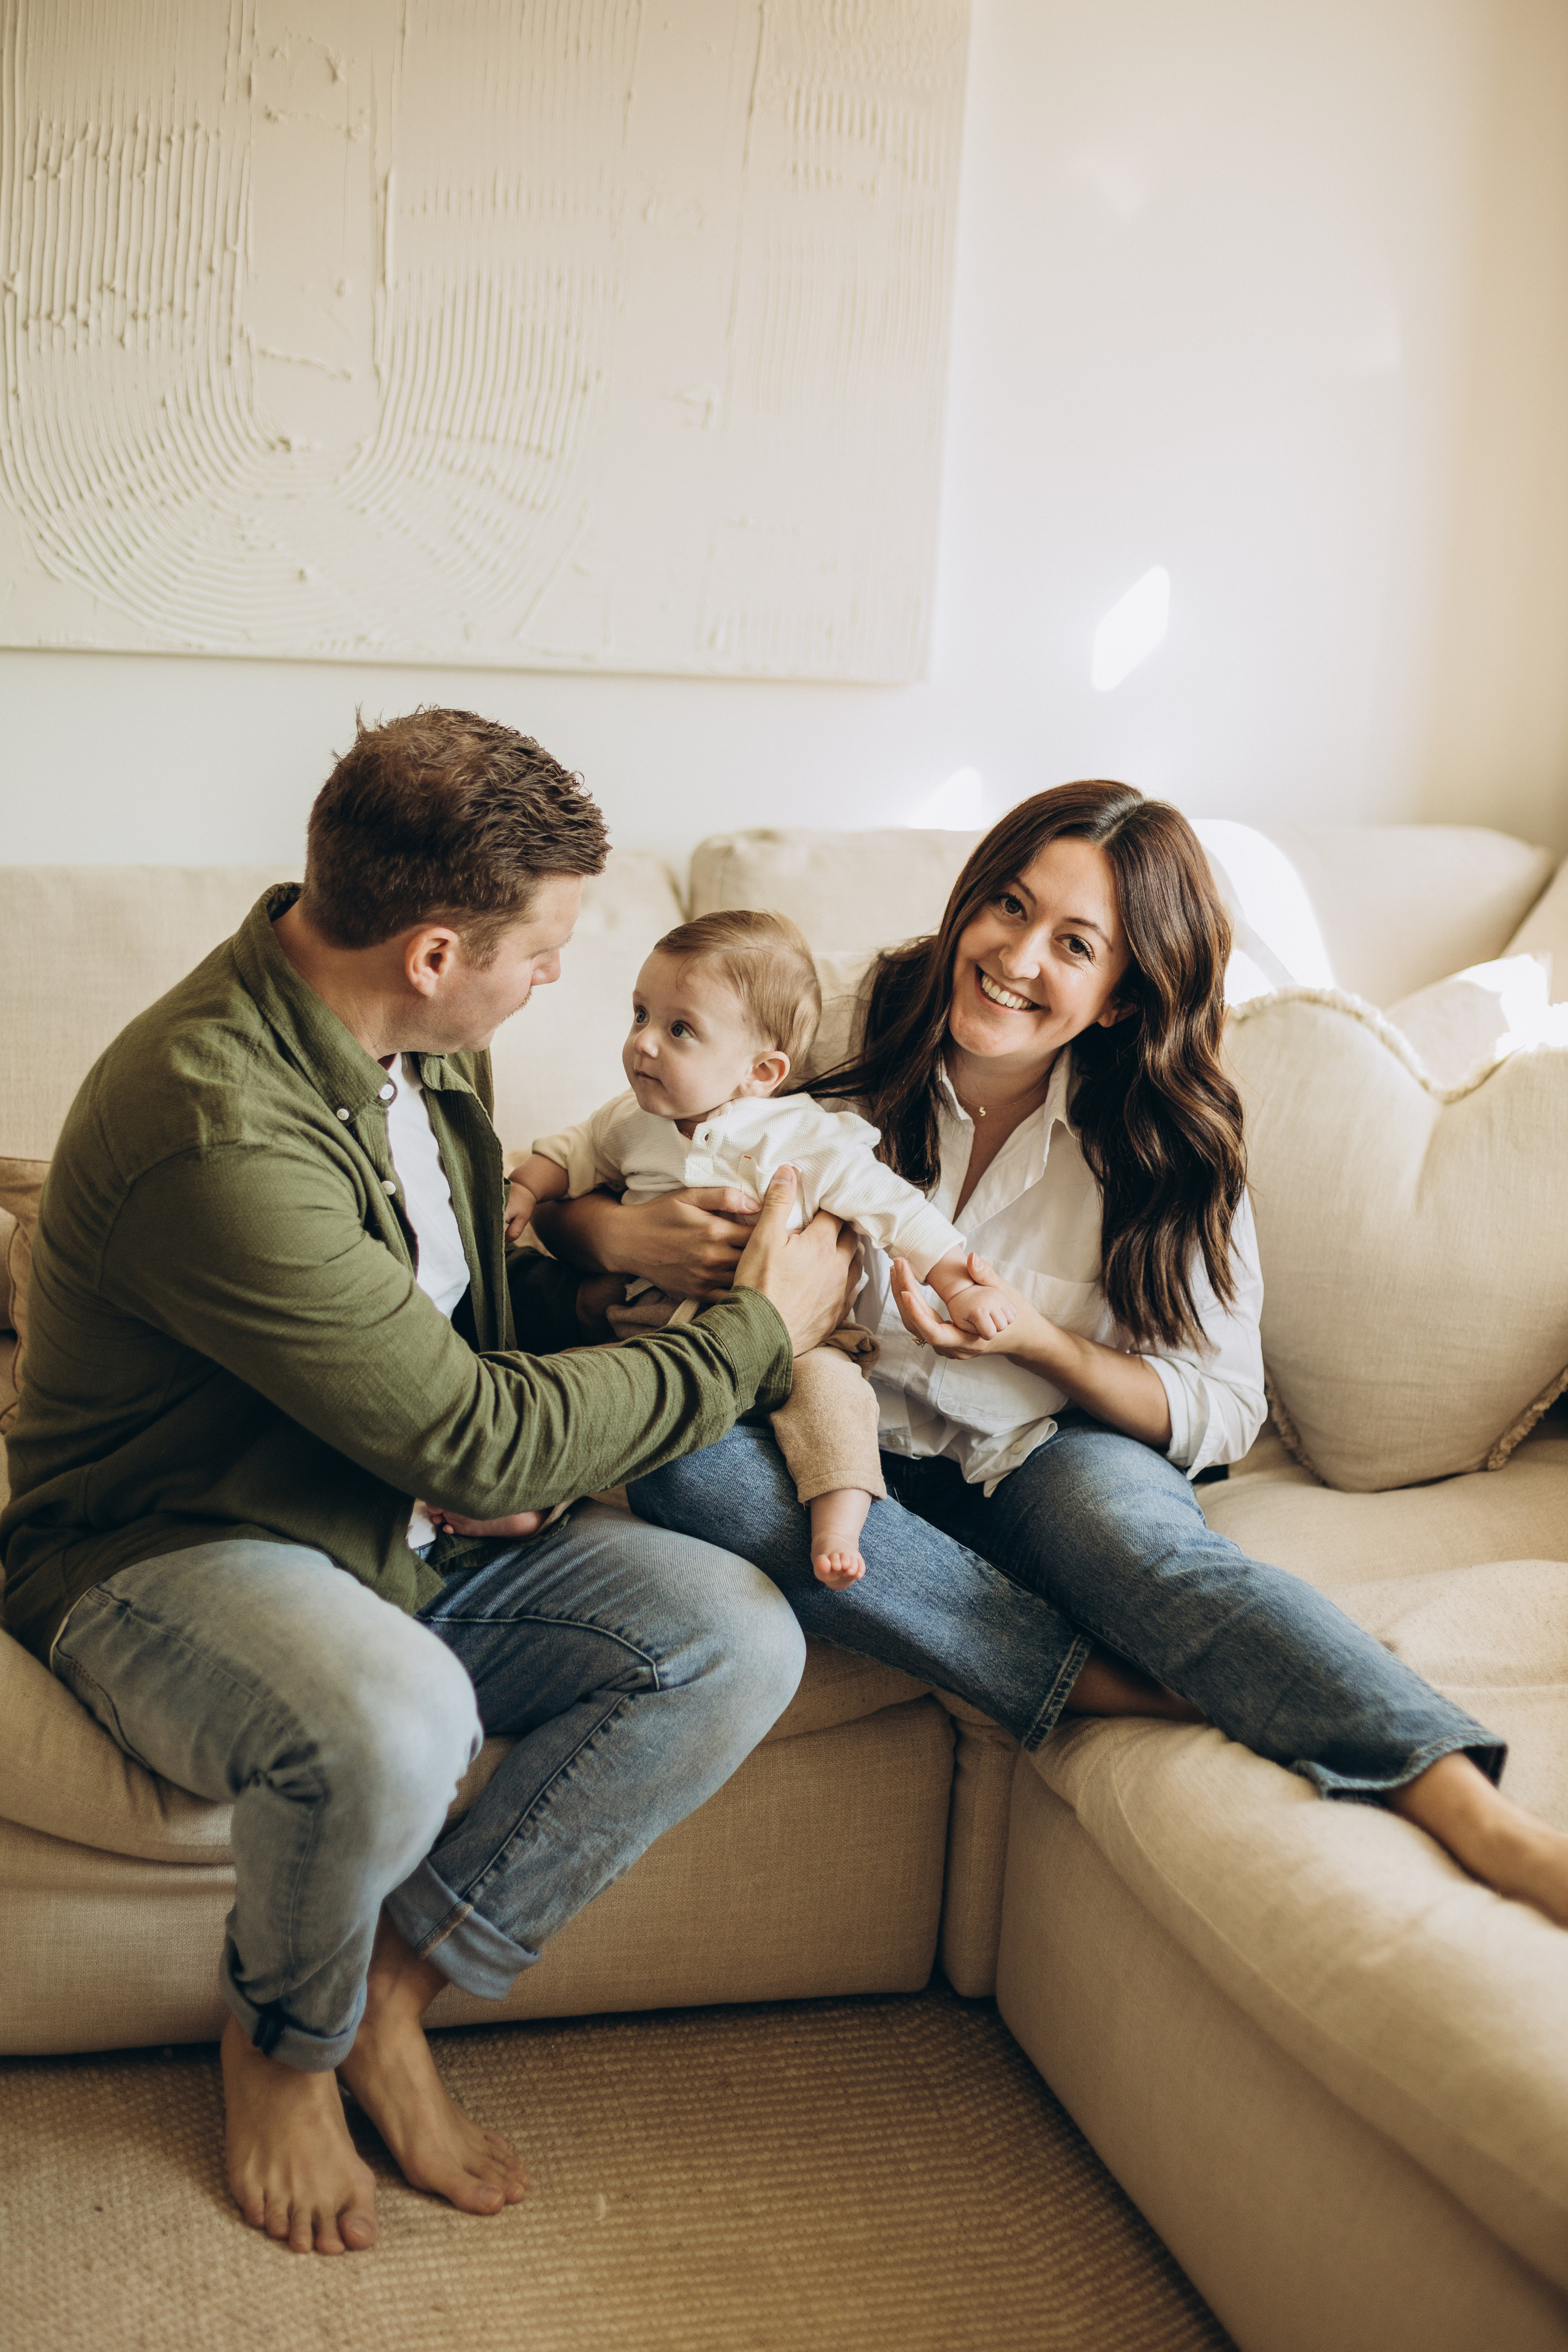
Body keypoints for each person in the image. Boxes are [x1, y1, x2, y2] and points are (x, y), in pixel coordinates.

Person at [0, 709, 854, 2258]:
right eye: (544, 949)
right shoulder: (216, 1118)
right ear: (436, 947)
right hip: (178, 1546)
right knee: (397, 1717)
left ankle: (398, 1987)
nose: (556, 980)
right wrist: (756, 1326)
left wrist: (605, 1268)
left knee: (735, 1633)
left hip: (396, 1519)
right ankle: (283, 2040)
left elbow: (456, 1337)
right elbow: (474, 1434)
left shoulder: (415, 1048)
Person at [539, 780, 1568, 1928]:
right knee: (692, 1473)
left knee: (1144, 1550)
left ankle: (1475, 1813)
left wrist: (1038, 1339)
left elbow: (1219, 1409)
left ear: (1124, 996)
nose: (1017, 958)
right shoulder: (833, 1012)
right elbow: (598, 1156)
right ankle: (1104, 1686)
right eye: (1010, 908)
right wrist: (622, 1236)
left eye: (1073, 944)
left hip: (1037, 1447)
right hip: (825, 1439)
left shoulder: (1167, 1144)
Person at [473, 909, 1013, 1586]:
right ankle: (532, 1500)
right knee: (576, 1394)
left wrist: (958, 1282)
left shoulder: (801, 1136)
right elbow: (570, 1154)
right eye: (639, 1015)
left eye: (679, 1030)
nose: (643, 1044)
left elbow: (892, 1208)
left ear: (761, 1071)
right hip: (652, 1329)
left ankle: (838, 1524)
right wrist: (523, 1190)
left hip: (798, 1342)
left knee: (836, 1402)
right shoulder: (631, 1119)